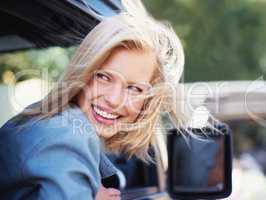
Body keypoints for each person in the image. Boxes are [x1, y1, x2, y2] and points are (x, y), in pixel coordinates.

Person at [0, 0, 185, 199]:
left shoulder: (46, 120)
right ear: (81, 75)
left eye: (134, 88)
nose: (114, 100)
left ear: (148, 102)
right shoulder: (68, 133)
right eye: (103, 77)